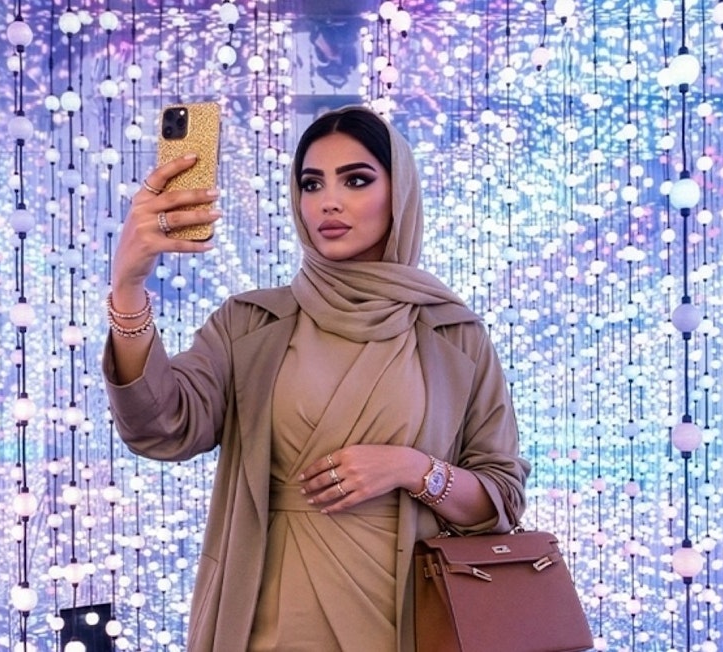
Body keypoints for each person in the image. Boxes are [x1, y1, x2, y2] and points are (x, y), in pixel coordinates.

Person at [102, 105, 530, 652]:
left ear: (399, 193)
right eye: (311, 183)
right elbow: (160, 427)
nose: (328, 201)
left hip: (409, 620)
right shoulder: (250, 324)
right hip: (266, 617)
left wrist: (412, 468)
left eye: (355, 179)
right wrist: (130, 286)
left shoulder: (455, 335)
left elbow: (500, 499)